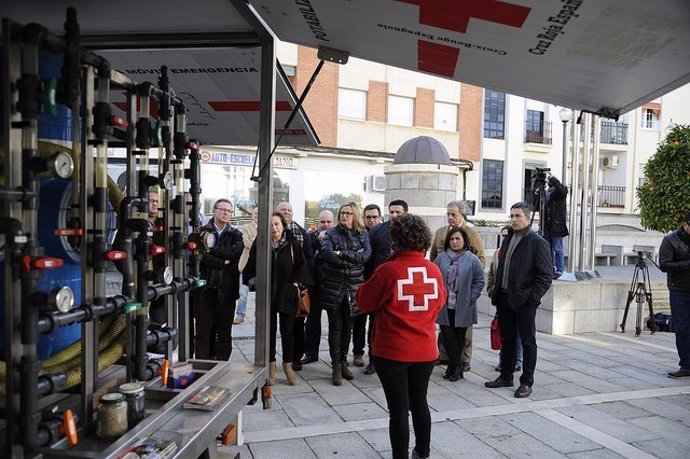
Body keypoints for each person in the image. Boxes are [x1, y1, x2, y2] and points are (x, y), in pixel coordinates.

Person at [356, 214, 447, 459]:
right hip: (425, 351)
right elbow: (439, 303)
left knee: (398, 410)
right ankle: (423, 452)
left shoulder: (388, 271)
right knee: (420, 402)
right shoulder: (433, 270)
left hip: (392, 351)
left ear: (395, 240)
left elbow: (364, 302)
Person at [484, 202, 552, 398]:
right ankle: (506, 375)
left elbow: (545, 276)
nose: (513, 219)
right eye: (511, 216)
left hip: (524, 302)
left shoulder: (537, 243)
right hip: (505, 299)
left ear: (528, 218)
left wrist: (532, 299)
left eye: (517, 216)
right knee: (507, 339)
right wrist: (495, 292)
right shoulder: (508, 239)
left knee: (528, 341)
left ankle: (527, 381)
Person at [243, 212, 310, 385]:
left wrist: (295, 284)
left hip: (286, 295)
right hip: (266, 296)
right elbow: (250, 267)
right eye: (270, 225)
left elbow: (302, 266)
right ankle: (271, 366)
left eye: (277, 224)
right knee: (269, 332)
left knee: (288, 332)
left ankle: (287, 365)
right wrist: (256, 283)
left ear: (283, 226)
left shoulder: (292, 244)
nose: (273, 228)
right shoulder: (260, 243)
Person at [319, 202, 371, 385]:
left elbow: (366, 256)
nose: (345, 216)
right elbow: (326, 253)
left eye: (348, 213)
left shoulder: (363, 234)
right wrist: (349, 259)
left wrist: (341, 253)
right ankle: (335, 365)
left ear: (355, 215)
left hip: (354, 287)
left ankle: (343, 362)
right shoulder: (331, 233)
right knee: (336, 327)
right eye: (342, 213)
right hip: (334, 286)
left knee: (348, 327)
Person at [430, 200, 485, 372]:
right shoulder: (440, 233)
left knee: (463, 331)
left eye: (453, 214)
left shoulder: (470, 233)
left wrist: (467, 281)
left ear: (462, 214)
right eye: (448, 214)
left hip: (464, 293)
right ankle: (446, 357)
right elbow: (433, 257)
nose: (450, 217)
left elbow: (480, 260)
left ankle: (463, 360)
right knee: (446, 329)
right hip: (446, 295)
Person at [362, 199, 408, 375]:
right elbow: (369, 257)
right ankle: (373, 359)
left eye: (398, 212)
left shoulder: (410, 230)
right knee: (374, 324)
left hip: (403, 287)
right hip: (380, 284)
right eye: (392, 212)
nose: (394, 215)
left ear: (406, 213)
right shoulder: (377, 231)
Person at [194, 199, 243, 360]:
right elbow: (199, 256)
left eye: (229, 211)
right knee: (203, 332)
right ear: (214, 211)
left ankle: (222, 365)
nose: (226, 213)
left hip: (226, 291)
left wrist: (211, 249)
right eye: (223, 210)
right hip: (205, 290)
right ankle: (202, 364)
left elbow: (235, 253)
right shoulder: (201, 232)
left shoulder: (236, 234)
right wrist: (222, 262)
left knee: (224, 333)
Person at [275, 201, 314, 369]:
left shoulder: (300, 232)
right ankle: (269, 361)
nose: (287, 212)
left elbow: (307, 259)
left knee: (295, 326)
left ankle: (294, 359)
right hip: (274, 286)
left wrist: (301, 282)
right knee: (269, 326)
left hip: (293, 287)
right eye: (283, 210)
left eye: (289, 210)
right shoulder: (269, 230)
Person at [486, 225, 523, 372]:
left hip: (517, 299)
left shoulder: (518, 252)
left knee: (518, 333)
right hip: (501, 298)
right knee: (503, 332)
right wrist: (492, 291)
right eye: (503, 236)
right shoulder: (497, 253)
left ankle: (517, 360)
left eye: (507, 236)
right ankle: (504, 361)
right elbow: (491, 274)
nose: (505, 239)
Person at [301, 209, 336, 365]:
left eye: (329, 222)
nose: (326, 225)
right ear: (318, 222)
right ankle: (310, 353)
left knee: (335, 323)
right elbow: (308, 259)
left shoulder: (338, 237)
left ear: (333, 222)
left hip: (332, 286)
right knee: (312, 321)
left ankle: (336, 358)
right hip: (314, 285)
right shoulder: (310, 238)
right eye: (323, 222)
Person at [658, 211, 690, 378]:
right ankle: (686, 366)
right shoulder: (670, 240)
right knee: (683, 328)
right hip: (680, 290)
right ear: (686, 224)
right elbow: (664, 265)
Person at [352, 203, 382, 367]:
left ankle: (374, 355)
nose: (372, 220)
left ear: (380, 217)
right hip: (360, 283)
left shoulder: (385, 235)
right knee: (358, 319)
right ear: (363, 219)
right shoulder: (359, 235)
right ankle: (357, 352)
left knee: (375, 322)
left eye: (374, 217)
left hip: (377, 283)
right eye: (368, 217)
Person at [234, 207, 258, 324]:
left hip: (261, 265)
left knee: (261, 293)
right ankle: (240, 315)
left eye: (260, 213)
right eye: (255, 213)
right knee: (243, 292)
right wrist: (259, 244)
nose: (257, 215)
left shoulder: (268, 227)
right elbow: (246, 243)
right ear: (252, 215)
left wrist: (253, 240)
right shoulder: (245, 228)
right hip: (247, 264)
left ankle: (259, 315)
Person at [542, 173, 569, 279]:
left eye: (549, 180)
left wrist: (553, 178)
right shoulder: (546, 193)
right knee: (548, 249)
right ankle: (550, 268)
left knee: (558, 249)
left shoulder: (561, 192)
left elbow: (561, 190)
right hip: (547, 225)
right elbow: (537, 207)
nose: (548, 181)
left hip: (557, 225)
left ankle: (559, 270)